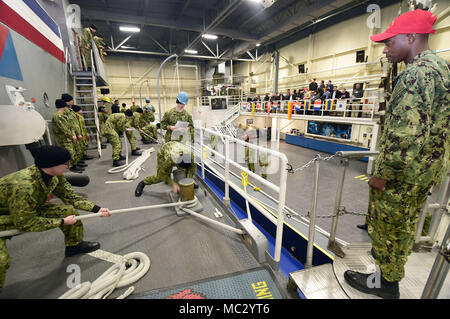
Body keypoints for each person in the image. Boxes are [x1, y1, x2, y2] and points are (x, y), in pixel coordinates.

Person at [344, 9, 450, 299]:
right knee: (404, 227)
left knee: (388, 226)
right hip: (425, 172)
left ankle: (385, 285)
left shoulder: (414, 76)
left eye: (390, 42)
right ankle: (389, 278)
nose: (386, 48)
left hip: (402, 174)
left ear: (412, 37)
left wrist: (382, 175)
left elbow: (405, 136)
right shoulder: (441, 69)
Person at [0, 145, 111, 291]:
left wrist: (97, 209)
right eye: (66, 163)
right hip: (8, 217)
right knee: (1, 261)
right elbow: (25, 223)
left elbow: (70, 197)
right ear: (52, 165)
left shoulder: (54, 176)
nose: (68, 166)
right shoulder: (25, 186)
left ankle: (74, 245)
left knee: (68, 211)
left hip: (24, 210)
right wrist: (62, 222)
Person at [51, 99, 83, 173]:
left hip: (67, 137)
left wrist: (73, 135)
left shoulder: (62, 115)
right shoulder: (58, 116)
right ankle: (72, 168)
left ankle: (74, 165)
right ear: (64, 106)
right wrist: (72, 136)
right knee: (69, 153)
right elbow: (64, 128)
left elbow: (69, 126)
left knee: (72, 152)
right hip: (64, 138)